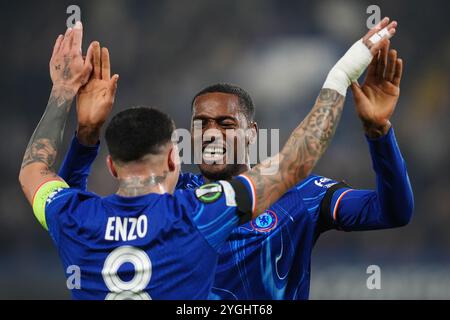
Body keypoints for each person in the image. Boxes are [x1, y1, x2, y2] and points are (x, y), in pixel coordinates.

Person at [59, 17, 412, 300]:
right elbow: (74, 213)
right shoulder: (169, 197)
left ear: (252, 134)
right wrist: (85, 135)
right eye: (201, 124)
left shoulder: (303, 195)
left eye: (226, 124)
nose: (212, 132)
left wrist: (379, 133)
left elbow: (392, 211)